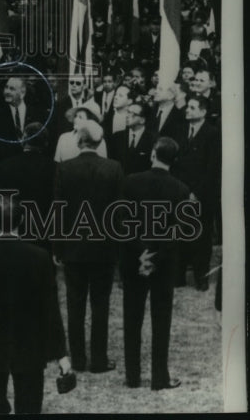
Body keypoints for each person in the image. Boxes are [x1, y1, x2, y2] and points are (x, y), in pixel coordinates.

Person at [0, 196, 71, 415]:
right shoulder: (40, 258)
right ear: (21, 219)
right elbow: (50, 309)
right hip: (29, 345)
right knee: (29, 406)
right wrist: (61, 353)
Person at [119, 137, 193, 390]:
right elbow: (177, 233)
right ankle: (160, 378)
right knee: (161, 320)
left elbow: (122, 223)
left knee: (132, 317)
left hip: (133, 259)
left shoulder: (130, 182)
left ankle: (132, 376)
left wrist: (141, 253)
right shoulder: (181, 190)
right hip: (164, 263)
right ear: (174, 160)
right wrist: (156, 256)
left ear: (152, 154)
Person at [54, 121, 123, 374]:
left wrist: (58, 248)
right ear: (99, 142)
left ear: (79, 141)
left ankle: (79, 359)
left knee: (75, 304)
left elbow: (58, 211)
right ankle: (99, 359)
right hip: (104, 248)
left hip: (73, 248)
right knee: (100, 304)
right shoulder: (113, 168)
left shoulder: (65, 169)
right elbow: (119, 213)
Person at [172, 94, 220, 290]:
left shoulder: (212, 133)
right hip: (181, 192)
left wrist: (197, 193)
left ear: (203, 111)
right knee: (180, 233)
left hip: (202, 195)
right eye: (187, 107)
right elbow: (175, 163)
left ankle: (201, 277)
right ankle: (179, 275)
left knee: (201, 236)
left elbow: (212, 168)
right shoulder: (181, 130)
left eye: (192, 108)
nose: (187, 110)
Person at [0, 123, 55, 251]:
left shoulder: (6, 165)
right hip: (45, 232)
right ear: (45, 143)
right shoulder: (55, 168)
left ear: (23, 139)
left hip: (15, 231)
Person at [0, 76, 48, 162]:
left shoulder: (38, 114)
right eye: (6, 87)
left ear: (22, 93)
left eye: (12, 89)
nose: (7, 91)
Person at [109, 100, 156, 174]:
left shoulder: (153, 140)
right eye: (128, 112)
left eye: (133, 114)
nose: (127, 115)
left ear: (142, 120)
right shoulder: (117, 137)